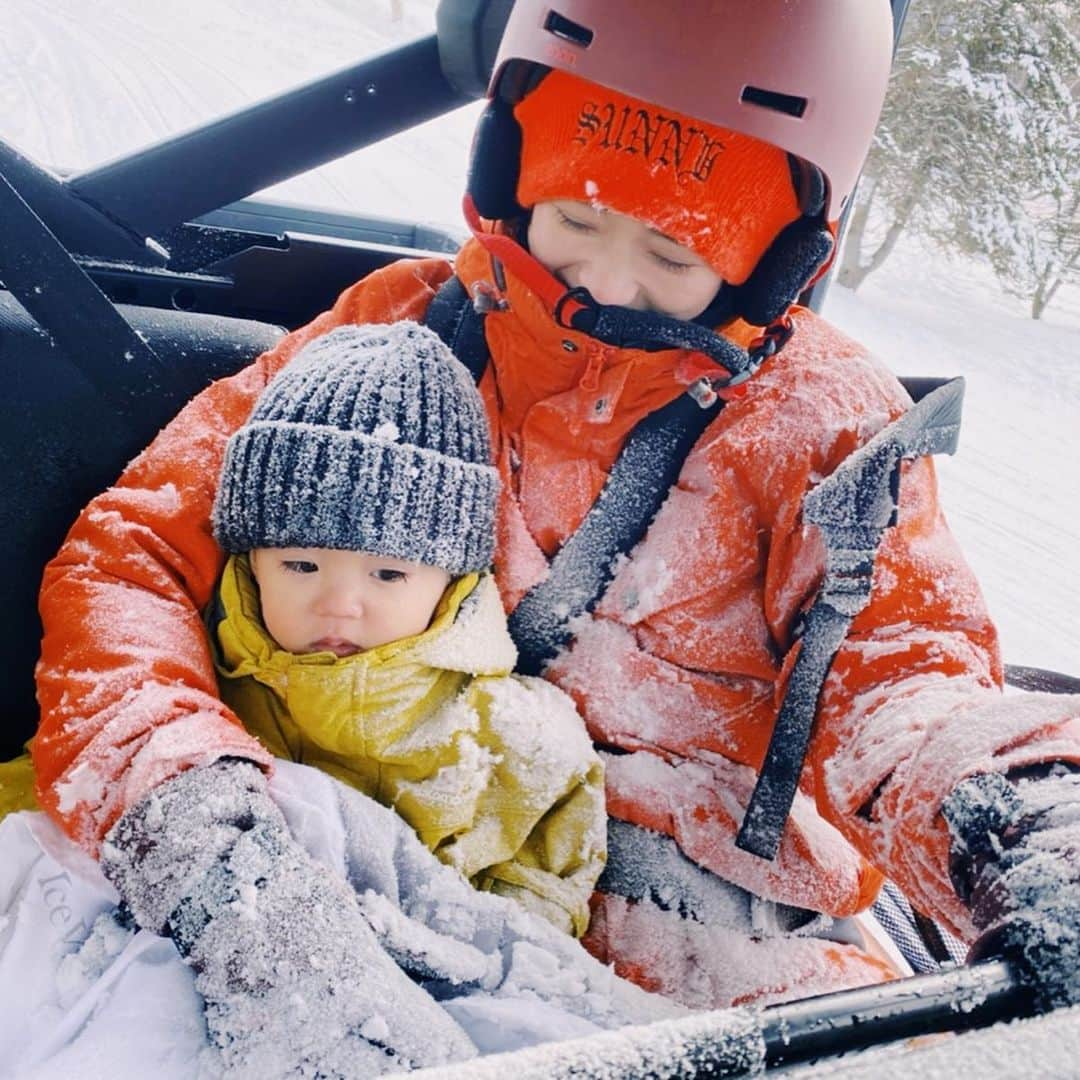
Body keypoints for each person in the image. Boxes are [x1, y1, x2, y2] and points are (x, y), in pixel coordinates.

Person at [32, 0, 1080, 1033]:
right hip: (394, 882)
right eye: (574, 219)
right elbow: (135, 557)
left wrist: (1017, 818)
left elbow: (907, 683)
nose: (605, 278)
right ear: (507, 175)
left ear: (776, 256)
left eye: (675, 256)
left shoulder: (823, 427)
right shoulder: (399, 339)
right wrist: (190, 819)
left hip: (726, 970)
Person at [207, 319, 605, 937]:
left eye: (388, 574)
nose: (340, 604)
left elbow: (543, 892)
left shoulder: (518, 738)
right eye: (301, 564)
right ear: (251, 562)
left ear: (450, 580)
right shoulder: (202, 698)